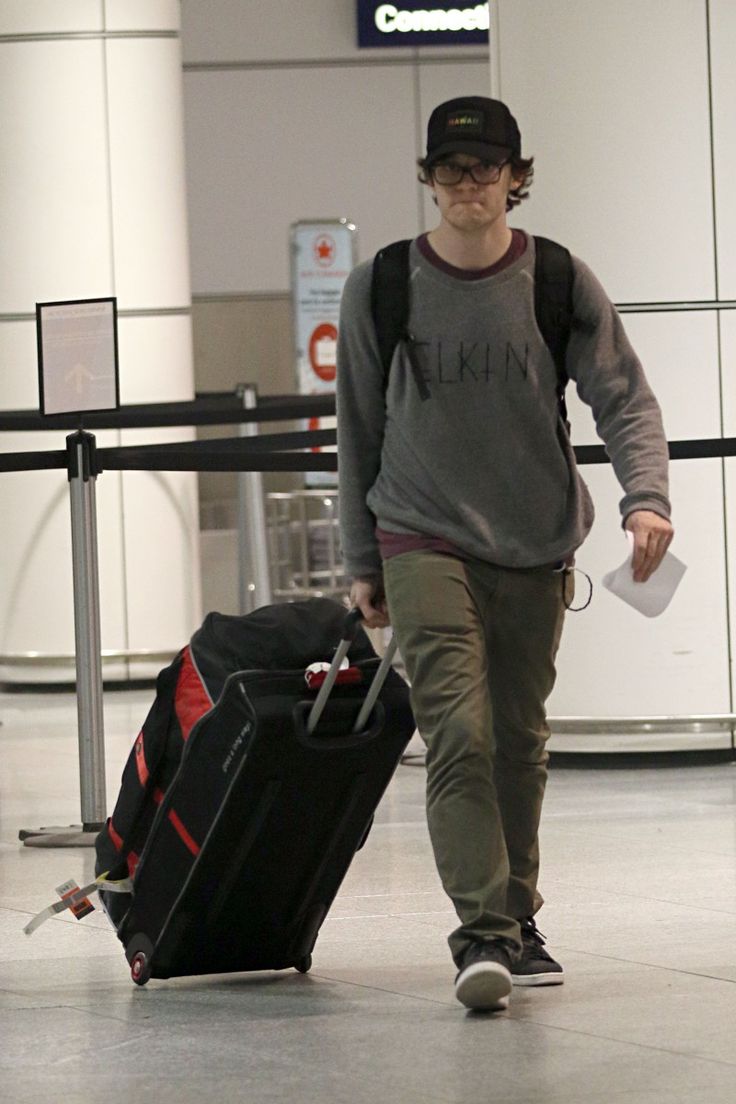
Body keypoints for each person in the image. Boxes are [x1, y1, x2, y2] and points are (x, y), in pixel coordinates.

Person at [336, 95, 674, 1012]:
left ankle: (520, 919)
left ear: (517, 178)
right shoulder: (382, 284)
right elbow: (358, 427)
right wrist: (361, 557)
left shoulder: (558, 278)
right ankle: (481, 932)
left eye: (487, 168)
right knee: (459, 731)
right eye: (451, 169)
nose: (469, 184)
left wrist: (647, 498)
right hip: (420, 534)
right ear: (429, 178)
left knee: (519, 742)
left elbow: (625, 398)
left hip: (532, 541)